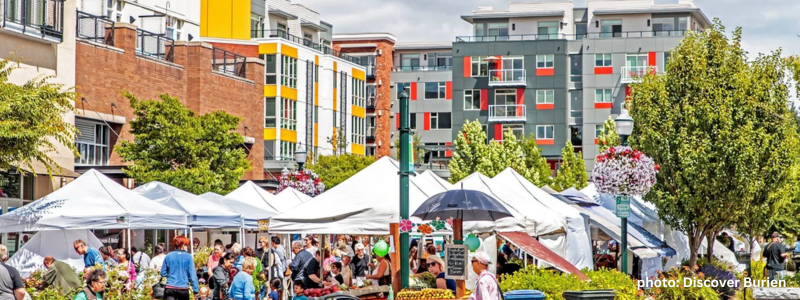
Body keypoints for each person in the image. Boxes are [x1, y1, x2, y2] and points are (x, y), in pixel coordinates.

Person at [162, 235, 200, 300]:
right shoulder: (188, 257)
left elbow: (163, 273)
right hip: (183, 288)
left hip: (170, 287)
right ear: (182, 245)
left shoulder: (168, 256)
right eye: (186, 245)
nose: (186, 247)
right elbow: (192, 275)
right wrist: (196, 291)